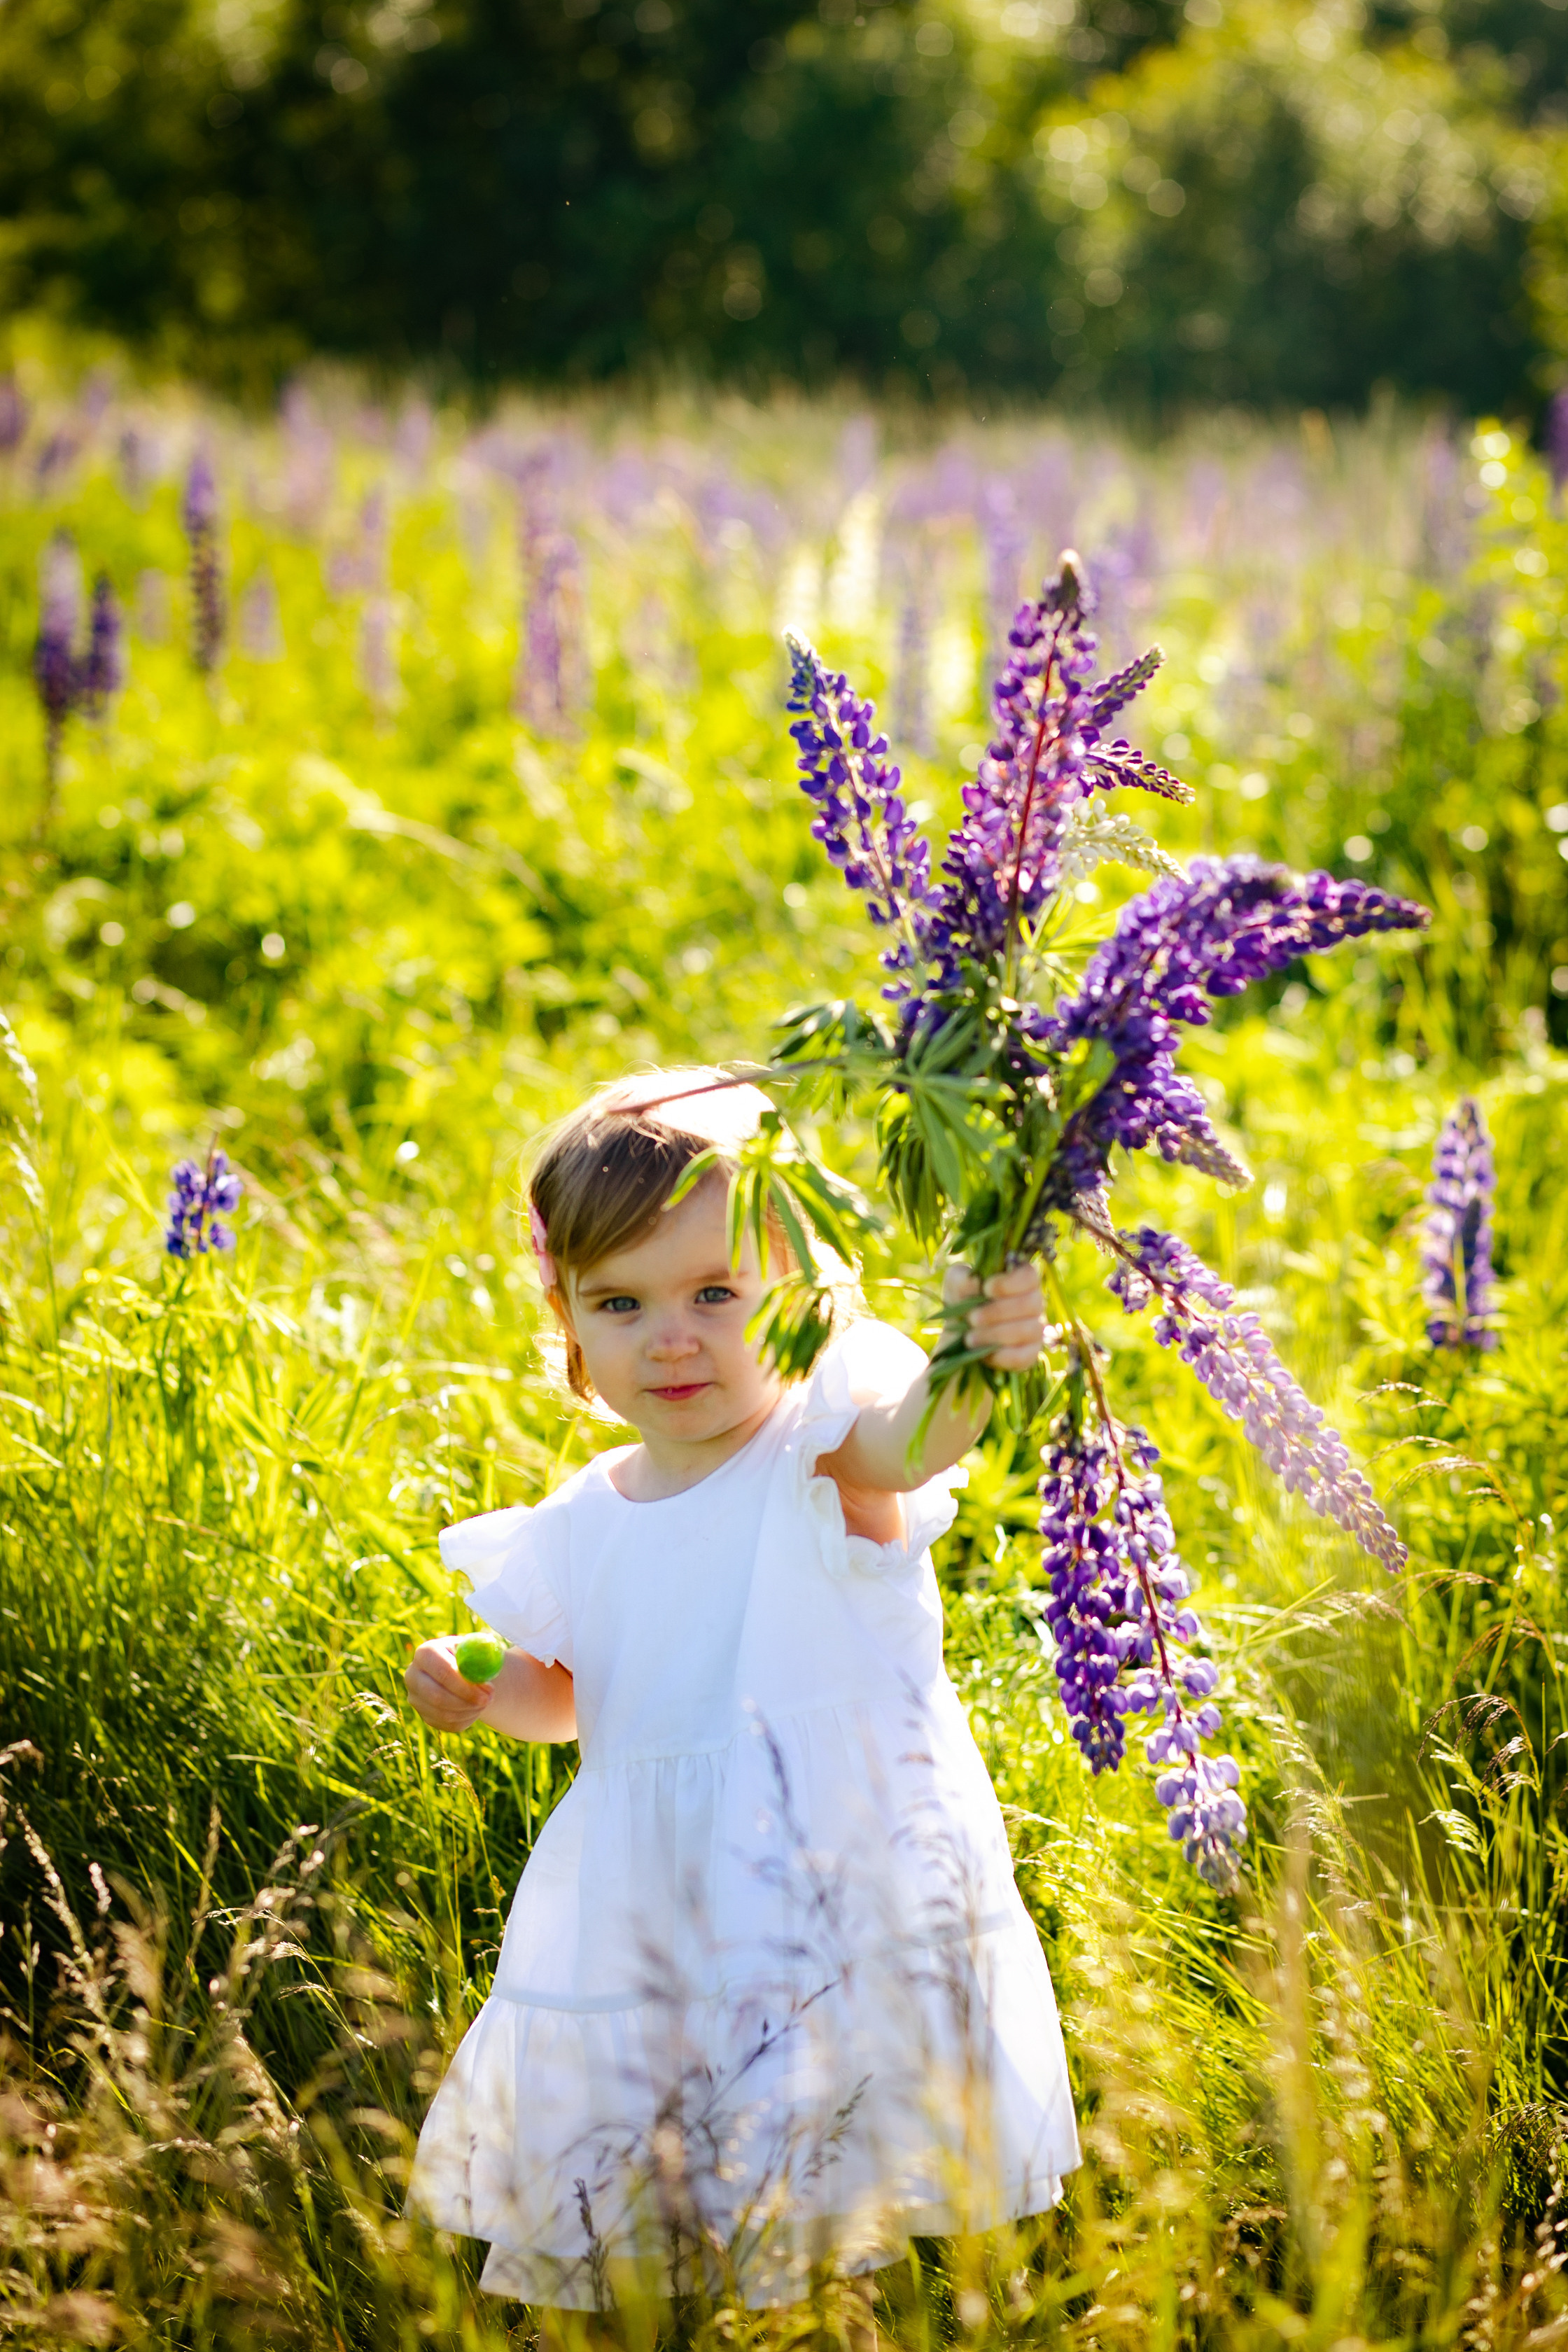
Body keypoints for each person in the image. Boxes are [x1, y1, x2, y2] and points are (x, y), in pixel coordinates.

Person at [403, 1070, 1080, 2312]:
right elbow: (576, 1700)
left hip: (822, 1884)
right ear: (568, 1320)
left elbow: (920, 1433)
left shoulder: (821, 1455)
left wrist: (981, 1347)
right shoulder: (583, 1518)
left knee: (824, 2190)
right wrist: (479, 1686)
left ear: (802, 1299)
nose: (672, 1337)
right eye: (623, 1303)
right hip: (653, 1900)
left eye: (717, 1294)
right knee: (653, 2190)